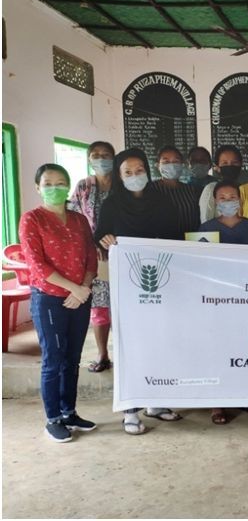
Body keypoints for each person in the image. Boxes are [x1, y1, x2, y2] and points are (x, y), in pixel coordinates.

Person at [95, 148, 182, 434]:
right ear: (120, 177)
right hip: (127, 287)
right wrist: (105, 241)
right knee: (130, 346)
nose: (135, 177)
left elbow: (175, 238)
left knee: (159, 341)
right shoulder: (111, 205)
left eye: (139, 171)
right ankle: (130, 409)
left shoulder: (162, 202)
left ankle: (155, 402)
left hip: (160, 283)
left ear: (148, 171)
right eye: (128, 173)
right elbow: (100, 238)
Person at [20, 163, 98, 443]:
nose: (55, 188)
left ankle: (69, 412)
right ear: (38, 188)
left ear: (68, 186)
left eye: (61, 182)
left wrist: (84, 288)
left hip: (80, 297)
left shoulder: (78, 220)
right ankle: (53, 419)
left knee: (72, 359)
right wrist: (74, 289)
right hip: (50, 299)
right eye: (48, 183)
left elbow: (91, 255)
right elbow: (37, 264)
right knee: (53, 359)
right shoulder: (32, 219)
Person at [198, 181, 248, 424]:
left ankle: (246, 397)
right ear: (215, 202)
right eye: (222, 198)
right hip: (215, 299)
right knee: (217, 348)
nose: (228, 201)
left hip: (247, 297)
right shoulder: (205, 229)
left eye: (232, 196)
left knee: (246, 348)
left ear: (240, 200)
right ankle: (217, 403)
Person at [68, 141, 114, 373]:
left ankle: (127, 352)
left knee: (124, 306)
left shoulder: (123, 184)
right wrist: (90, 245)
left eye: (106, 155)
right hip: (95, 255)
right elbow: (75, 219)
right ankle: (103, 354)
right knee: (100, 307)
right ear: (89, 159)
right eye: (96, 155)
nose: (101, 159)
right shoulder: (83, 186)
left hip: (121, 252)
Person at [150, 145, 200, 236]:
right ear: (158, 165)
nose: (171, 165)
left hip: (190, 243)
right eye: (166, 162)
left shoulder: (191, 190)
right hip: (162, 245)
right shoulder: (150, 189)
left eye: (176, 161)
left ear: (182, 165)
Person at [199, 145, 248, 223]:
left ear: (240, 165)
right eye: (225, 163)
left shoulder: (245, 189)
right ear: (217, 167)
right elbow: (206, 222)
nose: (230, 166)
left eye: (234, 162)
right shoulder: (211, 189)